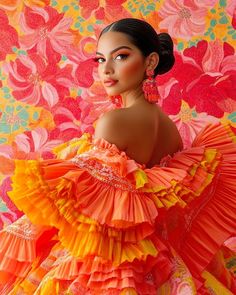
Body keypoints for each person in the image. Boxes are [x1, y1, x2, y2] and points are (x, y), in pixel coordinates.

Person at [0, 18, 235, 295]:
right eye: (100, 60)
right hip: (158, 264)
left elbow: (93, 210)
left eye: (121, 56)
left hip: (106, 264)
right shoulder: (170, 129)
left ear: (150, 63)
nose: (106, 70)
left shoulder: (113, 122)